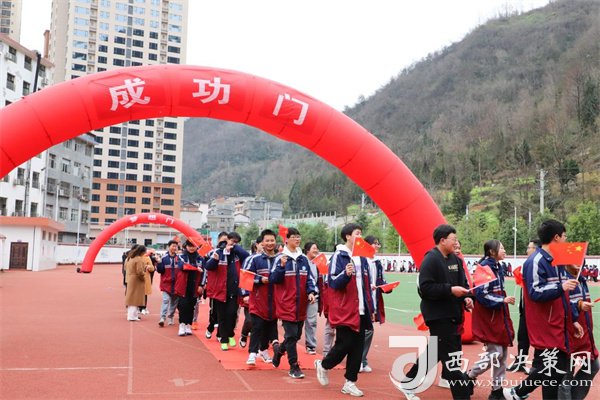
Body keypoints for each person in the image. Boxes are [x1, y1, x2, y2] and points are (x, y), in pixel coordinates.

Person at [503, 219, 582, 400]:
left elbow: (564, 295)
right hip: (545, 326)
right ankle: (517, 392)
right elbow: (535, 292)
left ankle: (518, 392)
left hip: (558, 324)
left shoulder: (558, 260)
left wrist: (573, 319)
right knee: (553, 367)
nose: (566, 240)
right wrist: (561, 287)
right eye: (565, 236)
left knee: (555, 369)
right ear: (556, 237)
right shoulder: (536, 261)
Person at [398, 224, 474, 400]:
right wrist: (450, 290)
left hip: (454, 315)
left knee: (434, 354)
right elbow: (425, 288)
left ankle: (408, 383)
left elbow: (463, 284)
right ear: (442, 240)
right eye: (453, 239)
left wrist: (467, 298)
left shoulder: (456, 260)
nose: (456, 243)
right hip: (439, 317)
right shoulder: (431, 259)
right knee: (453, 361)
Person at [314, 223, 373, 397]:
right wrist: (345, 274)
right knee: (345, 344)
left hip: (361, 309)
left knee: (358, 347)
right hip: (345, 309)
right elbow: (332, 282)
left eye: (361, 233)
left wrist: (371, 306)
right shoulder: (339, 256)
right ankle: (324, 365)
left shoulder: (362, 258)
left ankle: (350, 382)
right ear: (347, 236)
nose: (360, 236)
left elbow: (365, 284)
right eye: (357, 233)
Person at [467, 240, 515, 400]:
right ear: (492, 252)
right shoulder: (484, 268)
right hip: (490, 317)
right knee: (495, 354)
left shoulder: (498, 267)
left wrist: (503, 300)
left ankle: (497, 390)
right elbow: (482, 295)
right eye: (502, 248)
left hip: (500, 315)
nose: (505, 250)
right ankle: (469, 375)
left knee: (503, 355)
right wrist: (502, 300)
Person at [271, 227, 317, 379]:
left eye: (299, 236)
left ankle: (279, 351)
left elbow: (309, 278)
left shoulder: (303, 259)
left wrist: (311, 292)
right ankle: (294, 366)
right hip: (286, 303)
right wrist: (281, 267)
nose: (297, 239)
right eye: (294, 237)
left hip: (301, 304)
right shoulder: (280, 258)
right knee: (290, 335)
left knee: (296, 336)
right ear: (286, 239)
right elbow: (273, 279)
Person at [558, 263, 598, 400]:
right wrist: (579, 306)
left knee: (593, 365)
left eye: (581, 260)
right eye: (575, 260)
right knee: (566, 375)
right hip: (568, 335)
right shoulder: (564, 281)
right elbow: (562, 306)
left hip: (583, 334)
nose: (579, 263)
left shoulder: (582, 280)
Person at [205, 231, 250, 350]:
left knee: (232, 314)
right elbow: (208, 267)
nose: (233, 244)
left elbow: (247, 256)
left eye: (236, 242)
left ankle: (230, 334)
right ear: (227, 240)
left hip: (234, 290)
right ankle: (224, 340)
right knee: (221, 316)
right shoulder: (217, 252)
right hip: (219, 290)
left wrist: (234, 247)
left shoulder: (237, 254)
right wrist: (215, 259)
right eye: (232, 241)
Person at [243, 230, 279, 366]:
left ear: (276, 242)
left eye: (272, 240)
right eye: (267, 241)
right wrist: (260, 280)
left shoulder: (280, 259)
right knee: (257, 326)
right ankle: (252, 353)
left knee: (269, 325)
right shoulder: (255, 259)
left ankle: (263, 350)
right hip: (258, 300)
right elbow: (245, 277)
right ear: (262, 243)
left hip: (275, 301)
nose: (270, 243)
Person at [507, 239, 539, 374]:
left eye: (529, 247)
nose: (527, 250)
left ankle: (537, 366)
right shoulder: (528, 263)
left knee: (538, 338)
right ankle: (520, 362)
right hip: (525, 309)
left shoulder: (538, 265)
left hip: (536, 310)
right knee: (522, 336)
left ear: (535, 249)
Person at [360, 235, 389, 373]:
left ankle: (362, 360)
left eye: (378, 243)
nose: (377, 246)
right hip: (362, 301)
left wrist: (387, 287)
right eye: (375, 243)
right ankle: (358, 360)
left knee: (368, 331)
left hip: (373, 300)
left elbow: (381, 281)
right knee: (365, 331)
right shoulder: (361, 260)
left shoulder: (377, 263)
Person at [175, 239, 204, 336]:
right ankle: (182, 325)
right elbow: (182, 266)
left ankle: (188, 325)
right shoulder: (181, 256)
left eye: (193, 246)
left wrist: (201, 285)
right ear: (186, 246)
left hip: (195, 286)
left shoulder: (200, 258)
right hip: (183, 285)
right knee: (183, 306)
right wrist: (195, 268)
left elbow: (204, 272)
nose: (191, 248)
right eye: (189, 246)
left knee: (192, 306)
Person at [239, 237, 263, 348]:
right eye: (263, 243)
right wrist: (245, 294)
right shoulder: (250, 259)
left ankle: (258, 346)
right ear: (257, 245)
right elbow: (244, 276)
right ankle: (244, 335)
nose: (266, 246)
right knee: (250, 320)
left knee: (261, 323)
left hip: (264, 297)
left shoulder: (273, 259)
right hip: (251, 295)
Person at [203, 231, 228, 339]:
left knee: (224, 313)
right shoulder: (212, 253)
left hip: (227, 289)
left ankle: (220, 334)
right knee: (214, 312)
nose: (225, 243)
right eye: (223, 241)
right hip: (215, 289)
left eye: (227, 241)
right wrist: (204, 283)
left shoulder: (233, 254)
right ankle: (210, 327)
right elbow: (206, 268)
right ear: (218, 240)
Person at [156, 240, 182, 327]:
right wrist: (159, 263)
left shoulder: (179, 258)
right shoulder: (164, 258)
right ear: (168, 247)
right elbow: (160, 270)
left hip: (177, 285)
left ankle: (170, 316)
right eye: (173, 246)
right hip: (166, 284)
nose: (174, 248)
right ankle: (162, 318)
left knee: (174, 303)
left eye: (176, 246)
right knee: (165, 300)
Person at [124, 245, 149, 321]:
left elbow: (125, 267)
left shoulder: (130, 258)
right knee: (135, 299)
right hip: (136, 280)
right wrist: (143, 277)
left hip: (131, 278)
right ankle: (132, 316)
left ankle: (132, 315)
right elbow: (140, 271)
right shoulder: (138, 259)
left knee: (131, 298)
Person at [303, 241, 320, 355]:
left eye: (317, 248)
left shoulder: (316, 264)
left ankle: (310, 345)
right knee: (297, 322)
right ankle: (290, 341)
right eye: (314, 248)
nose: (316, 250)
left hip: (314, 297)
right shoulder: (301, 262)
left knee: (312, 321)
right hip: (301, 296)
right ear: (307, 250)